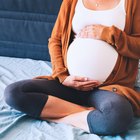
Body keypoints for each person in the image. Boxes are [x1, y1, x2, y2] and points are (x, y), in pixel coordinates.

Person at [4, 0, 140, 135]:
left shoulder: (132, 3)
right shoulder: (71, 1)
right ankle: (88, 113)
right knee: (14, 93)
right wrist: (63, 77)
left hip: (108, 89)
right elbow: (55, 40)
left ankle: (55, 113)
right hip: (69, 84)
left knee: (118, 116)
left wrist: (108, 34)